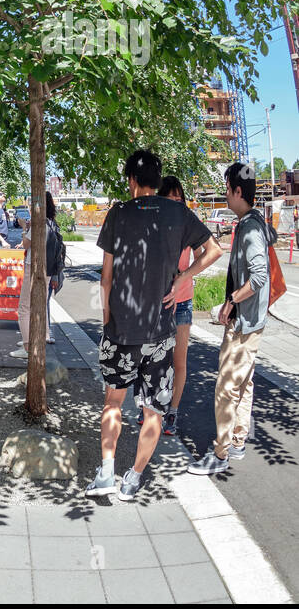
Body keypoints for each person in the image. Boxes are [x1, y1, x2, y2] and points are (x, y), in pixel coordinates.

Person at [85, 150, 221, 501]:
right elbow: (214, 250)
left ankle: (106, 472)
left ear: (131, 180)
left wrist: (106, 318)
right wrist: (183, 279)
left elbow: (106, 276)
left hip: (122, 330)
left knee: (112, 404)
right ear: (158, 181)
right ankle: (134, 478)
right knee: (153, 411)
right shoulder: (178, 212)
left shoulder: (118, 213)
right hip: (161, 333)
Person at [188, 162, 275, 475]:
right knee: (244, 383)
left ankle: (220, 453)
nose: (224, 193)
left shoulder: (251, 228)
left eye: (227, 188)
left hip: (243, 324)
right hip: (255, 321)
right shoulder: (256, 222)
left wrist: (231, 302)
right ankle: (237, 441)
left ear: (239, 192)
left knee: (226, 388)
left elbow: (260, 275)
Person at [148, 176, 208, 436]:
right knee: (153, 358)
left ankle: (172, 412)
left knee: (178, 360)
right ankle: (150, 408)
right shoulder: (154, 225)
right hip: (156, 303)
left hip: (182, 301)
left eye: (179, 198)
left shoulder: (188, 224)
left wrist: (185, 274)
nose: (175, 202)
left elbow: (208, 252)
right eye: (170, 198)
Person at [11, 192, 64, 359]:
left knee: (24, 308)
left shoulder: (37, 223)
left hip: (33, 267)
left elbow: (26, 244)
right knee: (39, 305)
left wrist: (24, 227)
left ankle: (27, 346)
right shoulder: (51, 223)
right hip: (48, 270)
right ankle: (39, 339)